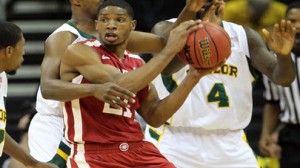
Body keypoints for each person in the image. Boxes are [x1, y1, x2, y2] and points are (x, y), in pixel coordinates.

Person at [28, 0, 212, 166]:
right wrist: (94, 89)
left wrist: (190, 10)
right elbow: (48, 88)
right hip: (59, 124)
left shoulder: (113, 36)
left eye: (118, 20)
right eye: (106, 19)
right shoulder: (64, 38)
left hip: (107, 125)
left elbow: (166, 43)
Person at [144, 0, 296, 167]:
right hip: (176, 141)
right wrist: (201, 31)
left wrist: (283, 55)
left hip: (231, 142)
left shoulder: (244, 36)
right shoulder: (164, 29)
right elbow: (167, 67)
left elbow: (283, 78)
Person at [0, 21, 58, 168]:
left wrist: (32, 163)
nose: (24, 53)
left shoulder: (2, 77)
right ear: (9, 51)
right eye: (22, 46)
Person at [259, 2, 300, 168]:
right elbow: (272, 102)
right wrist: (266, 134)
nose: (298, 26)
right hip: (292, 137)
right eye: (293, 21)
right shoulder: (274, 58)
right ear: (284, 23)